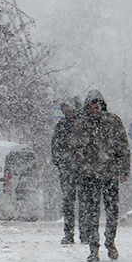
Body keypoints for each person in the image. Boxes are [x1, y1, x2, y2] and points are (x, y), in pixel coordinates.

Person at [71, 90, 130, 262]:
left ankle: (110, 242)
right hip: (90, 176)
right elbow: (74, 149)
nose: (95, 109)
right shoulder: (81, 124)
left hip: (109, 173)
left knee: (112, 210)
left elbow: (123, 147)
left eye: (97, 106)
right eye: (92, 106)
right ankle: (93, 246)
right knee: (92, 212)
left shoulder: (113, 121)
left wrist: (124, 170)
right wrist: (83, 166)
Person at [52, 97, 83, 245]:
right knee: (68, 203)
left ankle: (85, 233)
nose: (70, 112)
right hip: (67, 171)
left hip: (82, 170)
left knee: (85, 202)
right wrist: (60, 162)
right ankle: (69, 233)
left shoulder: (84, 125)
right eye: (68, 109)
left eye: (72, 109)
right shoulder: (61, 126)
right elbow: (55, 147)